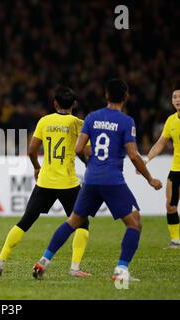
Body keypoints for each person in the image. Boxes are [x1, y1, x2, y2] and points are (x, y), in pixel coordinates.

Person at [31, 79, 162, 282]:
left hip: (91, 179)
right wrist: (150, 179)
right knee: (135, 223)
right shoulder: (126, 122)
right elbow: (134, 155)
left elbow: (78, 149)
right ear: (126, 96)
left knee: (73, 221)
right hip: (112, 180)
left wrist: (91, 165)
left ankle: (43, 261)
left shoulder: (92, 118)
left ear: (106, 96)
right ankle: (121, 271)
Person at [0, 86, 91, 277]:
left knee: (25, 221)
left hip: (45, 181)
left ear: (55, 103)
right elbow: (86, 152)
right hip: (68, 183)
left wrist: (37, 166)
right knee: (82, 224)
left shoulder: (44, 121)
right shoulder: (79, 124)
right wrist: (88, 164)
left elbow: (31, 150)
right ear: (74, 104)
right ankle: (75, 268)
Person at [143, 81, 180, 248]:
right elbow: (160, 143)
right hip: (176, 169)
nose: (177, 99)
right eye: (175, 96)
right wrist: (146, 159)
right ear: (171, 101)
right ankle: (176, 240)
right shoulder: (171, 121)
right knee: (170, 205)